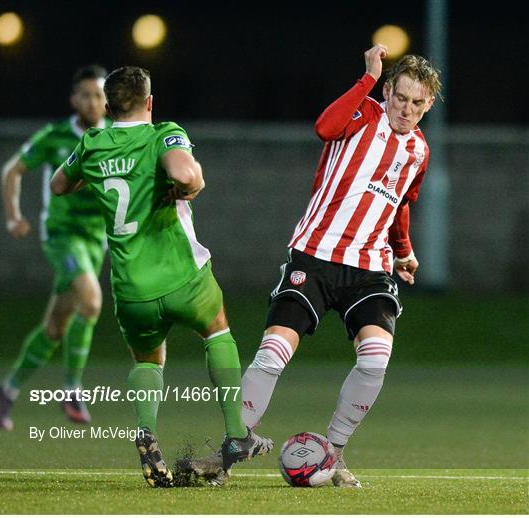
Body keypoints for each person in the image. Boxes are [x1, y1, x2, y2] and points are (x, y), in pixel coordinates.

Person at [188, 44, 442, 486]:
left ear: (429, 105)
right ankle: (229, 450)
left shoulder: (419, 150)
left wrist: (403, 250)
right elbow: (325, 127)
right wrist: (365, 78)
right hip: (315, 255)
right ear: (388, 91)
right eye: (400, 97)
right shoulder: (363, 112)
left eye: (417, 103)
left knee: (376, 359)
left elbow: (401, 204)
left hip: (369, 268)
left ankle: (335, 454)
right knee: (273, 351)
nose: (407, 109)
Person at [50, 66, 273, 488]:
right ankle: (236, 435)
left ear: (108, 107)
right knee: (217, 331)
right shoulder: (163, 133)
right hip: (182, 277)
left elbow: (61, 184)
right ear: (149, 103)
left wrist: (99, 177)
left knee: (148, 360)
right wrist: (190, 184)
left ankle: (146, 431)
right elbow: (186, 173)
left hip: (131, 289)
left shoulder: (92, 144)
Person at [0, 65, 109, 431]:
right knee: (91, 302)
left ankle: (7, 391)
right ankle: (72, 390)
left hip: (96, 240)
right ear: (74, 100)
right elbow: (12, 170)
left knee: (56, 327)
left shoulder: (118, 138)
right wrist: (13, 216)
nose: (94, 102)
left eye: (100, 94)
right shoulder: (56, 136)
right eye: (87, 94)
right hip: (61, 236)